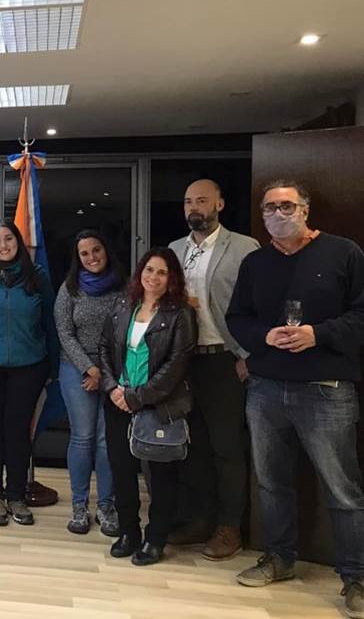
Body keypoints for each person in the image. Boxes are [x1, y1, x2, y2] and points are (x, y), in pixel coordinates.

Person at [226, 180, 364, 616]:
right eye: (270, 207)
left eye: (287, 205)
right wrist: (262, 338)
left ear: (305, 209)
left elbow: (362, 314)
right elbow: (237, 317)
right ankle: (281, 558)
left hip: (327, 390)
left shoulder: (344, 253)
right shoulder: (255, 263)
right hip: (266, 388)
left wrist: (317, 335)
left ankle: (356, 577)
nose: (277, 213)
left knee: (342, 490)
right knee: (271, 483)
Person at [167, 179, 259, 559]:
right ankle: (201, 519)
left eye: (202, 200)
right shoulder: (175, 250)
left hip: (225, 359)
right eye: (188, 200)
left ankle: (229, 526)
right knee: (195, 447)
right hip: (186, 362)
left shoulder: (243, 247)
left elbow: (260, 303)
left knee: (227, 448)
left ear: (219, 203)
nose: (194, 207)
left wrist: (248, 355)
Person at [100, 247, 196, 566]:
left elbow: (176, 365)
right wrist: (114, 388)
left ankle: (156, 540)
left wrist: (136, 397)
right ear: (140, 273)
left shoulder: (180, 314)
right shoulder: (123, 306)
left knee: (161, 475)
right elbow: (104, 348)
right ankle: (129, 533)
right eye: (149, 270)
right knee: (122, 471)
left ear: (172, 280)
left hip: (158, 406)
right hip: (118, 402)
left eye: (162, 272)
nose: (153, 277)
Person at [0, 219, 58, 527]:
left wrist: (53, 368)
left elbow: (50, 324)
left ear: (18, 242)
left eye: (8, 239)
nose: (3, 245)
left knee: (18, 431)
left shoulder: (38, 277)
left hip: (29, 365)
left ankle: (16, 495)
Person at [54, 229, 124, 536]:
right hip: (75, 370)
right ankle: (79, 506)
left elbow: (125, 332)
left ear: (105, 250)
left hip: (113, 370)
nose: (91, 257)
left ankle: (106, 505)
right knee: (82, 437)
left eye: (96, 250)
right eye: (84, 253)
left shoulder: (124, 287)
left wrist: (103, 372)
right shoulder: (69, 289)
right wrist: (88, 369)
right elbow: (64, 332)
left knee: (106, 440)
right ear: (77, 258)